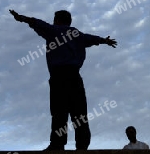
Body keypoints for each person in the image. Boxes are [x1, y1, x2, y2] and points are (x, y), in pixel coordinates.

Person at [9, 9, 117, 151]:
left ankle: (57, 144)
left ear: (57, 20)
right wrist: (105, 41)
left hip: (59, 77)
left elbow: (36, 22)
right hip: (74, 77)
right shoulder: (77, 34)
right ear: (69, 21)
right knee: (79, 113)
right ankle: (82, 145)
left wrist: (20, 17)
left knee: (59, 112)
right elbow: (92, 39)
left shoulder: (54, 30)